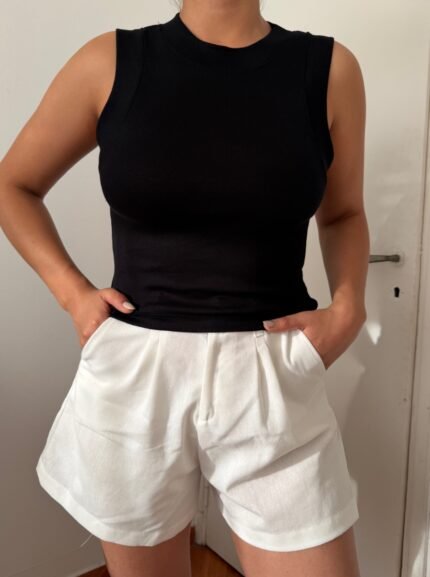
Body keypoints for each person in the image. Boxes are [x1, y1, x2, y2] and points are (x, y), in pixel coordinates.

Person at [0, 0, 368, 575]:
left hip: (274, 372)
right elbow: (13, 185)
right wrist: (73, 294)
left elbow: (343, 212)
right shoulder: (108, 62)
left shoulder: (329, 70)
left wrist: (349, 307)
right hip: (136, 375)